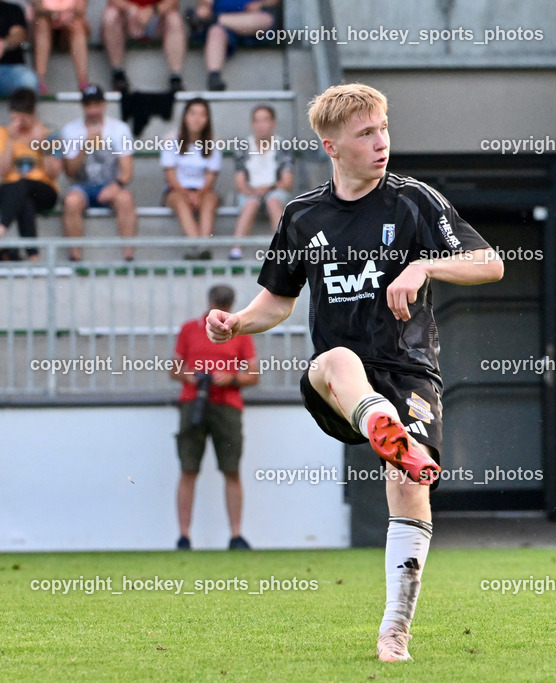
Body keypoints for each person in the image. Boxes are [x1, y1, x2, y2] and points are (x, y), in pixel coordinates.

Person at [206, 83, 503, 662]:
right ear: (331, 145)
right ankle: (379, 423)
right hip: (337, 384)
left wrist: (424, 264)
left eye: (384, 128)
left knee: (409, 484)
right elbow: (277, 301)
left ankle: (395, 631)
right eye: (366, 133)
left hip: (410, 371)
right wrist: (236, 322)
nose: (381, 142)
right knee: (339, 359)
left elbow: (489, 263)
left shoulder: (414, 200)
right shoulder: (302, 215)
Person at [171, 284, 258, 551]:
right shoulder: (190, 329)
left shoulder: (240, 331)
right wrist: (189, 376)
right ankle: (185, 536)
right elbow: (175, 369)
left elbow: (253, 375)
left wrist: (229, 378)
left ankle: (235, 534)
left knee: (230, 470)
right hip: (194, 403)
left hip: (227, 404)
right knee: (189, 469)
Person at [61, 84, 137, 262]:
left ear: (104, 105)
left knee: (125, 199)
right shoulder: (71, 131)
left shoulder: (120, 129)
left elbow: (127, 172)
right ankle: (75, 256)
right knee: (71, 201)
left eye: (96, 104)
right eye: (88, 105)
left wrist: (115, 187)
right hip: (82, 186)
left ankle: (128, 255)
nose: (93, 110)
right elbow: (70, 173)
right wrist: (85, 146)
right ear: (83, 106)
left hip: (111, 183)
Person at [0, 87, 59, 261]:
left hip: (43, 188)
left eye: (22, 118)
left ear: (32, 113)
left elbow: (53, 173)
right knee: (24, 200)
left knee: (23, 186)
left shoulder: (50, 133)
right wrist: (11, 140)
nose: (18, 122)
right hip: (12, 190)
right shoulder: (4, 134)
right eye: (14, 118)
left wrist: (43, 146)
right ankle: (34, 255)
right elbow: (3, 171)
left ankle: (2, 227)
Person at [161, 97, 221, 259]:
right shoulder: (171, 140)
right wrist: (187, 194)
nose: (197, 119)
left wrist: (199, 194)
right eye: (193, 113)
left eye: (202, 114)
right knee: (181, 202)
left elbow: (211, 176)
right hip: (176, 190)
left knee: (210, 201)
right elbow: (170, 175)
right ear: (185, 116)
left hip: (204, 190)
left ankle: (203, 246)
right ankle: (197, 247)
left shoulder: (213, 143)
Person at [229, 104, 292, 260]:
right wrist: (254, 192)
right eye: (257, 121)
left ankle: (281, 249)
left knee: (273, 200)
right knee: (251, 202)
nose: (261, 125)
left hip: (275, 190)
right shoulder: (243, 146)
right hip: (250, 192)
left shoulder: (283, 146)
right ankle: (236, 251)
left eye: (265, 120)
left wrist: (267, 189)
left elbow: (287, 182)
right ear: (252, 124)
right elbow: (240, 183)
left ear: (273, 123)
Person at [190, 0, 278, 91]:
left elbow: (272, 1)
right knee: (215, 31)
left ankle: (214, 20)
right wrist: (204, 9)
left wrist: (261, 4)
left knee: (266, 20)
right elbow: (204, 5)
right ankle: (214, 76)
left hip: (250, 21)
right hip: (222, 24)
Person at [102, 0, 187, 92]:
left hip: (156, 19)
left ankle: (175, 78)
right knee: (110, 15)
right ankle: (118, 75)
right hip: (127, 18)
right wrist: (130, 8)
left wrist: (153, 10)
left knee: (174, 18)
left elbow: (173, 2)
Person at [31, 0, 89, 95]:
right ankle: (40, 80)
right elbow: (38, 8)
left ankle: (83, 82)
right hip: (44, 22)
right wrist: (56, 15)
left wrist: (66, 17)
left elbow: (80, 9)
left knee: (77, 25)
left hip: (68, 24)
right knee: (41, 23)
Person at [0, 1, 39, 95]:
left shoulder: (13, 9)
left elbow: (19, 35)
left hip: (7, 69)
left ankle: (21, 109)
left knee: (28, 80)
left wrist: (3, 44)